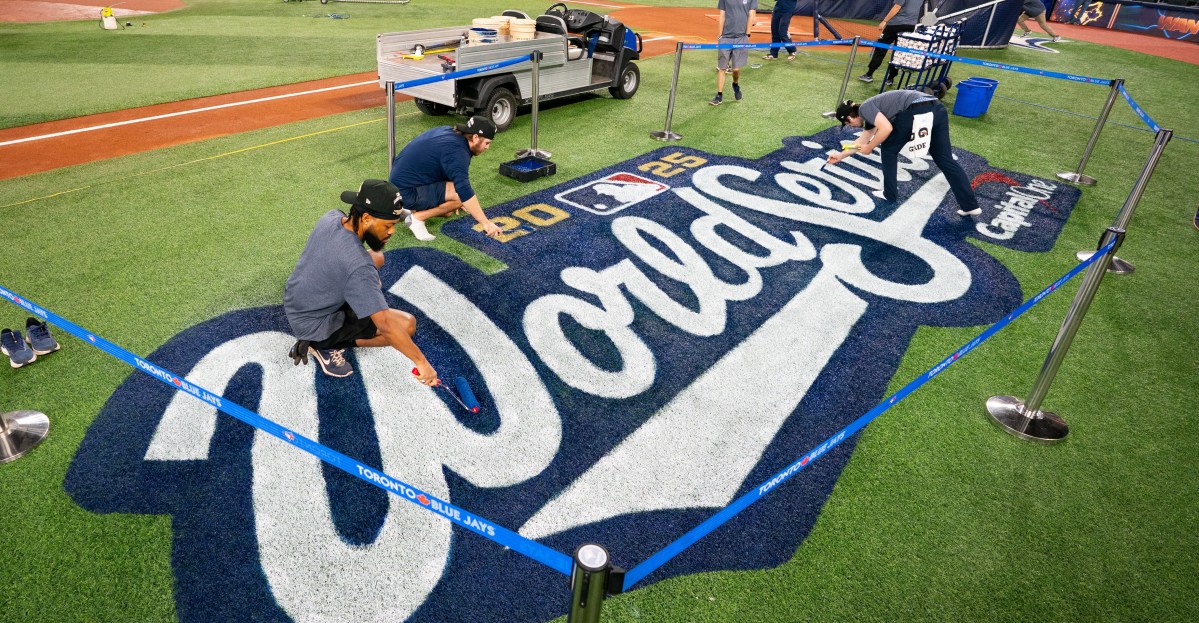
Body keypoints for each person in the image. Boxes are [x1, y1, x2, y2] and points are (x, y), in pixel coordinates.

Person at [283, 179, 438, 384]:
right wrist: (422, 363)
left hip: (298, 296)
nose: (392, 231)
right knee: (407, 325)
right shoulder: (358, 267)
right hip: (316, 323)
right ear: (366, 218)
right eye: (389, 225)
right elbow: (386, 324)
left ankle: (341, 313)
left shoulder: (332, 217)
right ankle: (322, 345)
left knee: (377, 257)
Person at [828, 90, 981, 216]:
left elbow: (886, 129)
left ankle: (890, 193)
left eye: (848, 124)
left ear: (849, 117)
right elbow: (860, 142)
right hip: (937, 109)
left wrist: (870, 147)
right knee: (944, 159)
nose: (852, 127)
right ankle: (970, 205)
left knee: (888, 150)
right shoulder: (870, 112)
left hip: (915, 111)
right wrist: (840, 155)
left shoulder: (865, 108)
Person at [387, 116, 503, 242]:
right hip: (406, 191)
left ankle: (406, 207)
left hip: (400, 184)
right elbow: (463, 190)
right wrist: (485, 223)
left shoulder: (449, 132)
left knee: (449, 210)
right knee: (459, 197)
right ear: (475, 137)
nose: (487, 147)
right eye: (487, 143)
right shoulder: (458, 153)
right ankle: (416, 218)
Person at [857, 0, 922, 86]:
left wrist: (884, 21)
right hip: (910, 26)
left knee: (880, 48)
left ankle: (869, 74)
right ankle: (890, 78)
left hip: (895, 25)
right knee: (898, 52)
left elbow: (897, 7)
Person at [710, 0, 757, 106]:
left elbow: (751, 16)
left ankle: (735, 84)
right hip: (725, 38)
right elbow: (722, 16)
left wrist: (747, 34)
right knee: (722, 68)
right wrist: (720, 36)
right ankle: (719, 95)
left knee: (736, 69)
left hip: (741, 38)